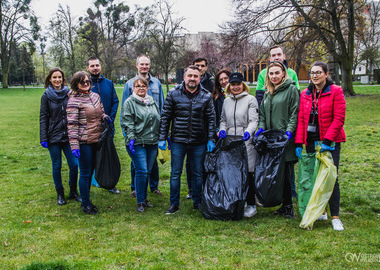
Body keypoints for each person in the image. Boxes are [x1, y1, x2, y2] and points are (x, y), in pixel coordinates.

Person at [295, 61, 346, 231]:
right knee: (314, 177)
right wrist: (299, 142)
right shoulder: (306, 93)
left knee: (331, 178)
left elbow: (339, 118)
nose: (315, 75)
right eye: (312, 72)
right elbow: (302, 118)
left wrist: (327, 141)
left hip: (329, 141)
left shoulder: (336, 91)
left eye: (318, 72)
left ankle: (335, 217)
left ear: (326, 74)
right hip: (311, 140)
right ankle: (320, 211)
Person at [159, 65, 216, 214]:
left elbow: (211, 119)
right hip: (178, 140)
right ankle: (174, 204)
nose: (192, 79)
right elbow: (165, 117)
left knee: (198, 173)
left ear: (200, 78)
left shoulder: (206, 96)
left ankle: (197, 202)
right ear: (184, 77)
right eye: (189, 75)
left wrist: (211, 138)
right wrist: (162, 137)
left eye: (195, 76)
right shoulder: (173, 94)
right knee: (175, 173)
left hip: (199, 142)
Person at [256, 61, 299, 218]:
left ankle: (289, 207)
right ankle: (282, 204)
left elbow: (295, 112)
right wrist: (261, 128)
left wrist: (289, 132)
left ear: (283, 74)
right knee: (276, 173)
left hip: (284, 139)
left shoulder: (291, 90)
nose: (274, 76)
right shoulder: (268, 92)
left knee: (286, 173)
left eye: (277, 73)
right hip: (271, 138)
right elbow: (262, 113)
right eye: (271, 73)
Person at [67, 71, 111, 214]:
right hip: (83, 141)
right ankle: (86, 204)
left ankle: (86, 198)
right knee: (85, 173)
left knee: (91, 171)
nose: (86, 84)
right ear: (76, 84)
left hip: (97, 139)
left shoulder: (95, 96)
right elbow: (72, 125)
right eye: (82, 82)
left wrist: (105, 117)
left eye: (87, 81)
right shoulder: (73, 101)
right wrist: (74, 145)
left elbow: (101, 112)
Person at [121, 54, 164, 197]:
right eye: (142, 64)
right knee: (137, 164)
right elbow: (125, 111)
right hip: (137, 133)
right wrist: (127, 133)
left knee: (152, 162)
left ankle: (153, 186)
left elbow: (161, 107)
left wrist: (162, 132)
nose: (144, 66)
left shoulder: (157, 83)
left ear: (149, 66)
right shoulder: (129, 84)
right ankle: (135, 188)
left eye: (147, 64)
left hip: (152, 133)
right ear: (137, 65)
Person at [218, 72, 259, 218]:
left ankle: (251, 204)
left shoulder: (250, 100)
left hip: (245, 140)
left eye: (238, 84)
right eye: (233, 84)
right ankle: (237, 201)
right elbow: (223, 119)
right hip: (230, 141)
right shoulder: (226, 101)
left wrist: (248, 132)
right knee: (234, 172)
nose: (236, 87)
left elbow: (254, 120)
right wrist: (222, 130)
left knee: (248, 172)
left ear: (243, 85)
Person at [40, 67, 80, 205]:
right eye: (54, 77)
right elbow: (43, 117)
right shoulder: (46, 96)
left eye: (59, 77)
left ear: (63, 78)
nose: (57, 80)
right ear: (50, 79)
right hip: (53, 137)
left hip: (69, 136)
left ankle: (73, 191)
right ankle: (60, 193)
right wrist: (43, 137)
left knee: (74, 165)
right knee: (56, 165)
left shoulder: (69, 94)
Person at [121, 77, 161, 212]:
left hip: (152, 141)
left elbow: (158, 118)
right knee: (142, 171)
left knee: (147, 171)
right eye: (138, 86)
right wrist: (131, 138)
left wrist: (163, 136)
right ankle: (140, 201)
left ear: (147, 88)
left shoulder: (152, 101)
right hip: (137, 142)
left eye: (143, 86)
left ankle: (144, 199)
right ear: (133, 88)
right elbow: (127, 121)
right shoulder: (130, 102)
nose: (141, 88)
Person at [86, 57, 120, 194]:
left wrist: (110, 119)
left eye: (97, 65)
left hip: (107, 128)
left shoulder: (109, 84)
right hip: (91, 129)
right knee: (90, 159)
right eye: (92, 66)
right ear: (88, 68)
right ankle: (87, 186)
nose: (95, 68)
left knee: (107, 157)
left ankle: (109, 183)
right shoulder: (85, 84)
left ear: (101, 66)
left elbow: (115, 101)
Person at [213, 68, 232, 133]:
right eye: (221, 80)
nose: (224, 81)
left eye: (226, 78)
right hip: (221, 130)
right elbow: (215, 116)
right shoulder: (217, 97)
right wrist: (217, 129)